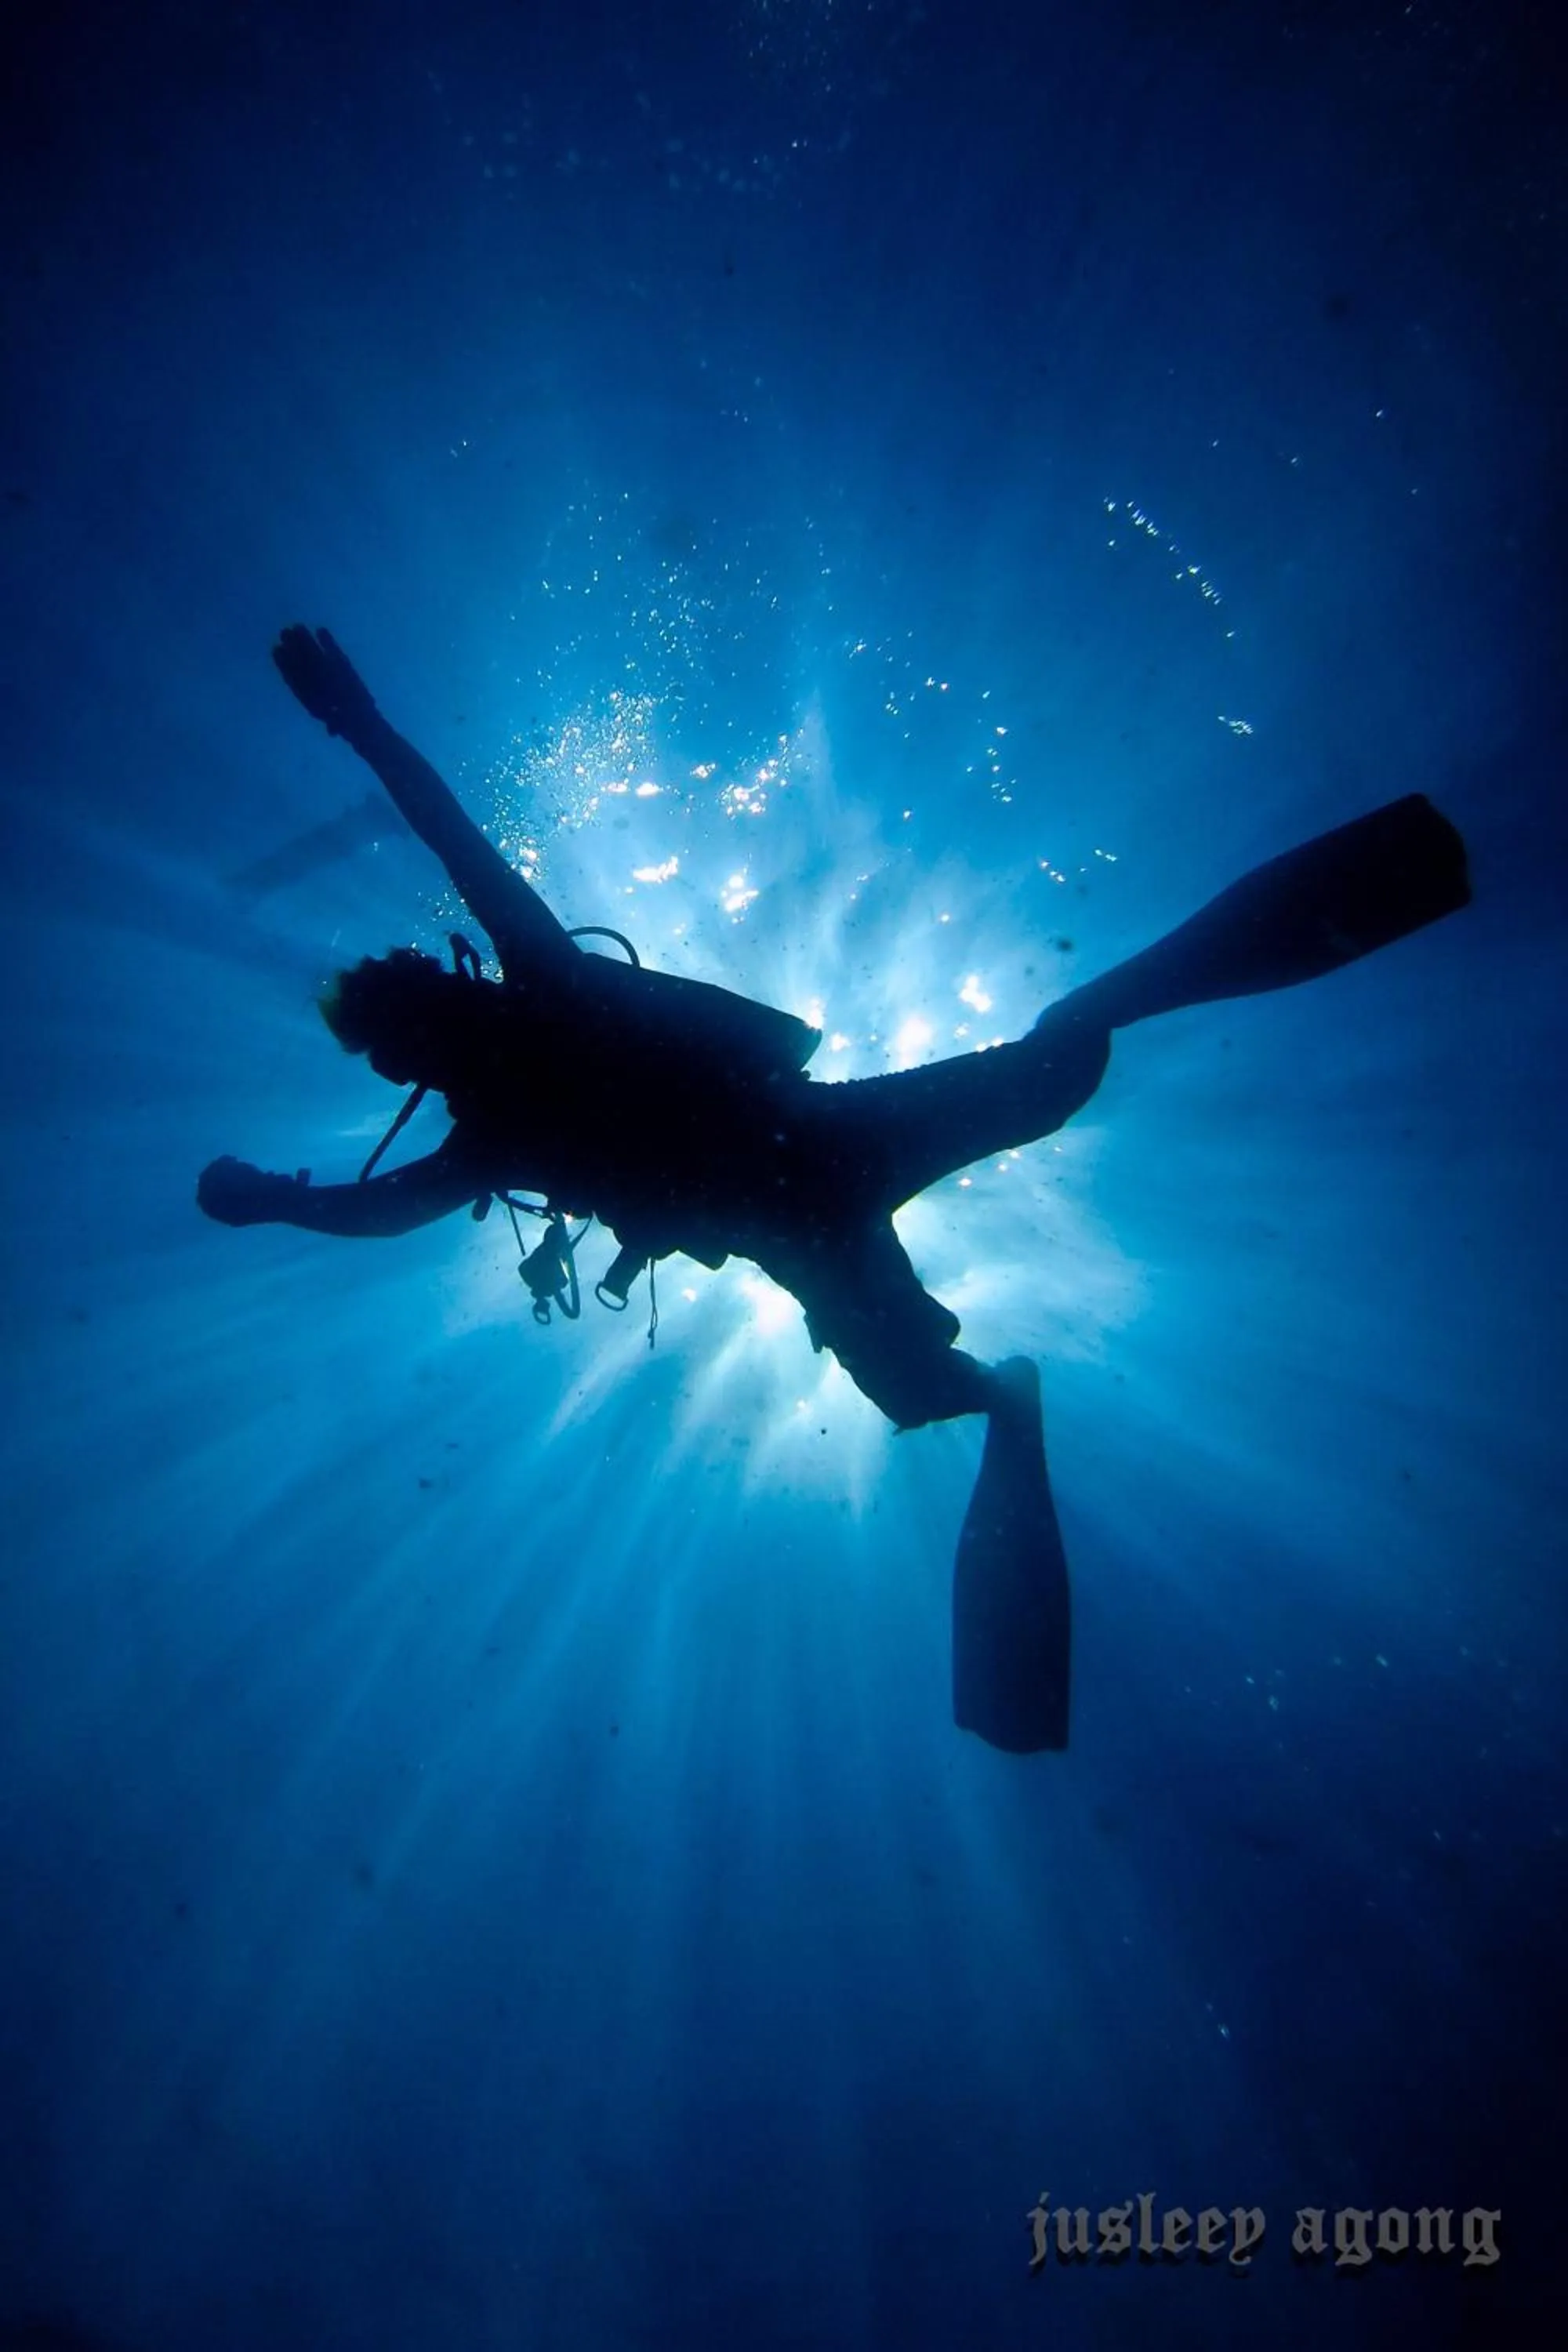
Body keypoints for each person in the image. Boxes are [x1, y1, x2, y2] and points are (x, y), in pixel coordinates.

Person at [199, 626, 1472, 1752]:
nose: (422, 1023)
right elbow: (381, 1208)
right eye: (398, 1029)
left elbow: (449, 835)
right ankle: (1007, 1399)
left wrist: (361, 723)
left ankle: (1028, 1307)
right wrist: (274, 1201)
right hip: (805, 1217)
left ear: (444, 988)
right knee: (923, 1383)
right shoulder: (493, 1134)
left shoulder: (535, 992)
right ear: (408, 1061)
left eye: (410, 999)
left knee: (1059, 1067)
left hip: (824, 1151)